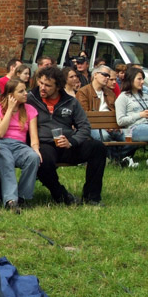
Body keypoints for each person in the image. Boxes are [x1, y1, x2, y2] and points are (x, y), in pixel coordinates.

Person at [27, 66, 107, 206]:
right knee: (41, 160)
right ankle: (61, 195)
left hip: (67, 144)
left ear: (58, 87)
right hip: (43, 144)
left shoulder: (70, 102)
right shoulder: (30, 99)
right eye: (41, 83)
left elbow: (84, 126)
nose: (42, 88)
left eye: (48, 85)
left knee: (98, 147)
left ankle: (92, 197)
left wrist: (72, 141)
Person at [0, 79, 41, 212]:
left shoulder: (30, 110)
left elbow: (33, 136)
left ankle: (22, 197)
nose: (26, 93)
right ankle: (11, 200)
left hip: (19, 145)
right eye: (21, 91)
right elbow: (0, 133)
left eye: (25, 90)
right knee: (7, 159)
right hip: (1, 143)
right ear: (10, 95)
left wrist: (36, 149)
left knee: (33, 158)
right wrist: (9, 110)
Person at [77, 66, 133, 164]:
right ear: (95, 75)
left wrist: (116, 125)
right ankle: (115, 159)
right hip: (93, 126)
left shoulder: (110, 93)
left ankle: (115, 158)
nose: (107, 78)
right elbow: (84, 115)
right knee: (105, 137)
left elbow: (118, 111)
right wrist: (103, 125)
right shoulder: (83, 92)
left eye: (108, 75)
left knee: (132, 139)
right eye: (105, 75)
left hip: (112, 126)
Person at [115, 67, 148, 142]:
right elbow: (120, 121)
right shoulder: (123, 97)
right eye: (139, 79)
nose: (142, 82)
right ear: (131, 79)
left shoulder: (145, 95)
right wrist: (140, 115)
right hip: (134, 128)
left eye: (143, 79)